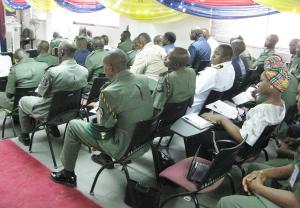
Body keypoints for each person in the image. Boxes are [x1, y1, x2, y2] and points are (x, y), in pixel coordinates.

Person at [49, 50, 153, 187]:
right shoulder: (143, 79)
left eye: (104, 67)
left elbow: (103, 128)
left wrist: (99, 110)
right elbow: (128, 104)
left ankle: (67, 174)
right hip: (142, 141)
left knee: (74, 125)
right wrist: (103, 105)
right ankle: (103, 157)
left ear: (110, 67)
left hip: (122, 146)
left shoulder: (109, 91)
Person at [187, 55, 288, 158]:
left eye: (261, 81)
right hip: (251, 144)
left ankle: (196, 165)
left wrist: (222, 119)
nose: (258, 84)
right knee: (213, 124)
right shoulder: (281, 105)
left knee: (195, 135)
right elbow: (261, 123)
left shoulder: (263, 110)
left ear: (272, 86)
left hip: (238, 145)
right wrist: (249, 113)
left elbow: (241, 138)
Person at [18, 41, 88, 145]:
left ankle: (25, 135)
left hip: (50, 114)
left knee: (23, 101)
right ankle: (52, 128)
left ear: (62, 52)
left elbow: (41, 93)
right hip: (72, 112)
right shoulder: (84, 71)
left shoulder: (52, 72)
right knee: (55, 98)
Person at [216, 159, 300, 208]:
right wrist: (263, 173)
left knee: (226, 203)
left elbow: (296, 203)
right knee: (254, 170)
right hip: (293, 187)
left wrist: (258, 188)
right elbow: (296, 166)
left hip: (294, 202)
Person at [186, 44, 235, 114]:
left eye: (217, 54)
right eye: (214, 52)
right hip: (209, 109)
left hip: (192, 107)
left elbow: (193, 90)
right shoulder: (231, 68)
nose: (213, 56)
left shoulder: (213, 72)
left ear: (225, 58)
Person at [152, 47, 196, 112]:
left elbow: (157, 104)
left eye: (168, 57)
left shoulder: (167, 78)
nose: (165, 58)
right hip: (181, 112)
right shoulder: (192, 71)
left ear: (176, 64)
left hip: (165, 114)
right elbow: (192, 96)